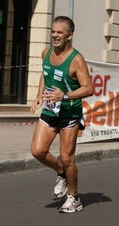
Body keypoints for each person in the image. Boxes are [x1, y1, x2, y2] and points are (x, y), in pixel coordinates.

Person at [30, 16, 93, 213]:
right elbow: (45, 73)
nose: (55, 35)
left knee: (67, 158)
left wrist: (64, 95)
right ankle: (60, 173)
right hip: (50, 110)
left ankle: (74, 198)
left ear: (70, 35)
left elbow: (88, 88)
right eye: (53, 31)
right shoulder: (46, 53)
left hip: (69, 113)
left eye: (60, 32)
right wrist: (39, 95)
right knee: (37, 151)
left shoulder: (76, 59)